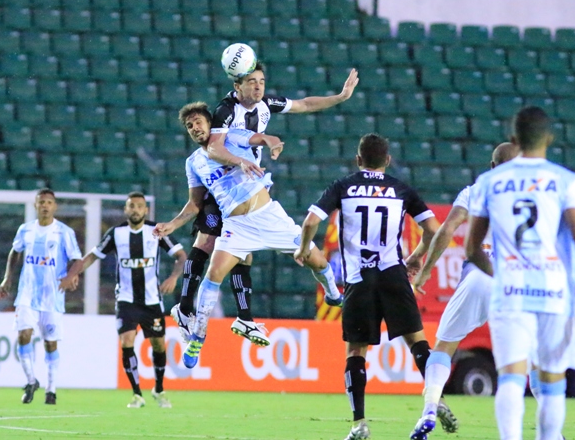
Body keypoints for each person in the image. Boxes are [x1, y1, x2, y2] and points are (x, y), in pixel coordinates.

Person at [175, 64, 359, 347]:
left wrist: (340, 97)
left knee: (311, 260)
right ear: (238, 86)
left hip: (260, 201)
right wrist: (241, 160)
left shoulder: (263, 106)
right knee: (208, 254)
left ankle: (331, 296)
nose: (258, 87)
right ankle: (194, 325)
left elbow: (303, 105)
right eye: (252, 82)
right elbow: (213, 149)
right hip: (228, 199)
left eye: (261, 81)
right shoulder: (224, 112)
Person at [465, 106, 575, 440]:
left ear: (514, 139)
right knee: (551, 383)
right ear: (549, 137)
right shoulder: (567, 181)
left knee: (511, 379)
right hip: (554, 293)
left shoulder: (489, 182)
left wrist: (500, 274)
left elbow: (472, 249)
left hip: (510, 291)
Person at [154, 102, 341, 368]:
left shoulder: (232, 136)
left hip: (268, 215)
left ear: (210, 123)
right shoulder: (193, 162)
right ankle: (197, 338)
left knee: (318, 261)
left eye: (198, 122)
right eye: (189, 126)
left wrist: (272, 142)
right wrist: (173, 224)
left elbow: (261, 137)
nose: (195, 128)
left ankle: (333, 293)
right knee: (214, 273)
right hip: (236, 224)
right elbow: (195, 203)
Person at [294, 133, 440, 440]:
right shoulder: (400, 188)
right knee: (417, 341)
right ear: (387, 160)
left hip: (359, 279)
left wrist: (304, 249)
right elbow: (433, 229)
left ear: (358, 160)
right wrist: (415, 258)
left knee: (356, 350)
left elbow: (310, 222)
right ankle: (435, 402)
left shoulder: (344, 186)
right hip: (393, 273)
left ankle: (359, 423)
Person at [409, 142, 518, 439]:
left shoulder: (475, 190)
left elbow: (447, 230)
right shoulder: (531, 195)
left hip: (480, 272)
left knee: (444, 347)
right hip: (515, 280)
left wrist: (427, 269)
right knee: (525, 360)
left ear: (493, 166)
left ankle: (430, 409)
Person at [60, 192, 186, 409]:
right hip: (126, 299)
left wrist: (174, 277)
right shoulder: (116, 234)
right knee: (127, 341)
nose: (135, 210)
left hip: (152, 300)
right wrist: (73, 273)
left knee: (158, 345)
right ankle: (137, 394)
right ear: (126, 210)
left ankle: (158, 388)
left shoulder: (156, 231)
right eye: (131, 206)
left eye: (140, 206)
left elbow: (182, 256)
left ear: (146, 210)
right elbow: (91, 256)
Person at [0, 188, 83, 406]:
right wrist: (8, 277)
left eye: (49, 202)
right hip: (27, 293)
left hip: (52, 296)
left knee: (50, 344)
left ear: (55, 207)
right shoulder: (25, 230)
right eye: (41, 202)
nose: (45, 206)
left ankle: (51, 389)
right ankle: (30, 381)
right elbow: (15, 251)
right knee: (23, 335)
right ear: (36, 206)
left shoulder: (64, 232)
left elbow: (77, 259)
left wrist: (72, 276)